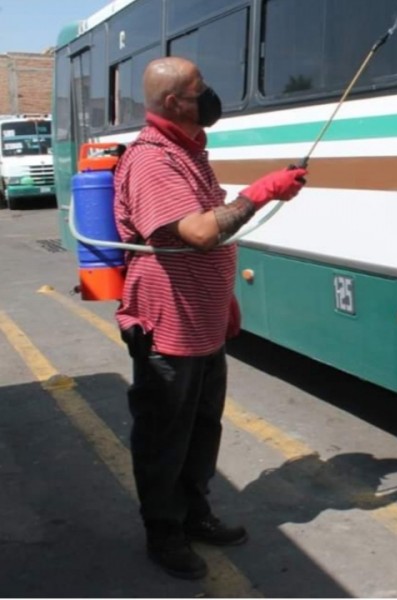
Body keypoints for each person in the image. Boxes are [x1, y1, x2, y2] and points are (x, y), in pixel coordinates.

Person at [113, 56, 307, 580]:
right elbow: (199, 233)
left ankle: (194, 514)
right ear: (175, 102)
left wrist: (224, 300)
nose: (212, 95)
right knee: (164, 435)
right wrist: (259, 193)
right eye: (202, 89)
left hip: (201, 321)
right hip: (167, 326)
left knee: (201, 428)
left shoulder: (188, 150)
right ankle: (164, 533)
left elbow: (199, 239)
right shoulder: (154, 160)